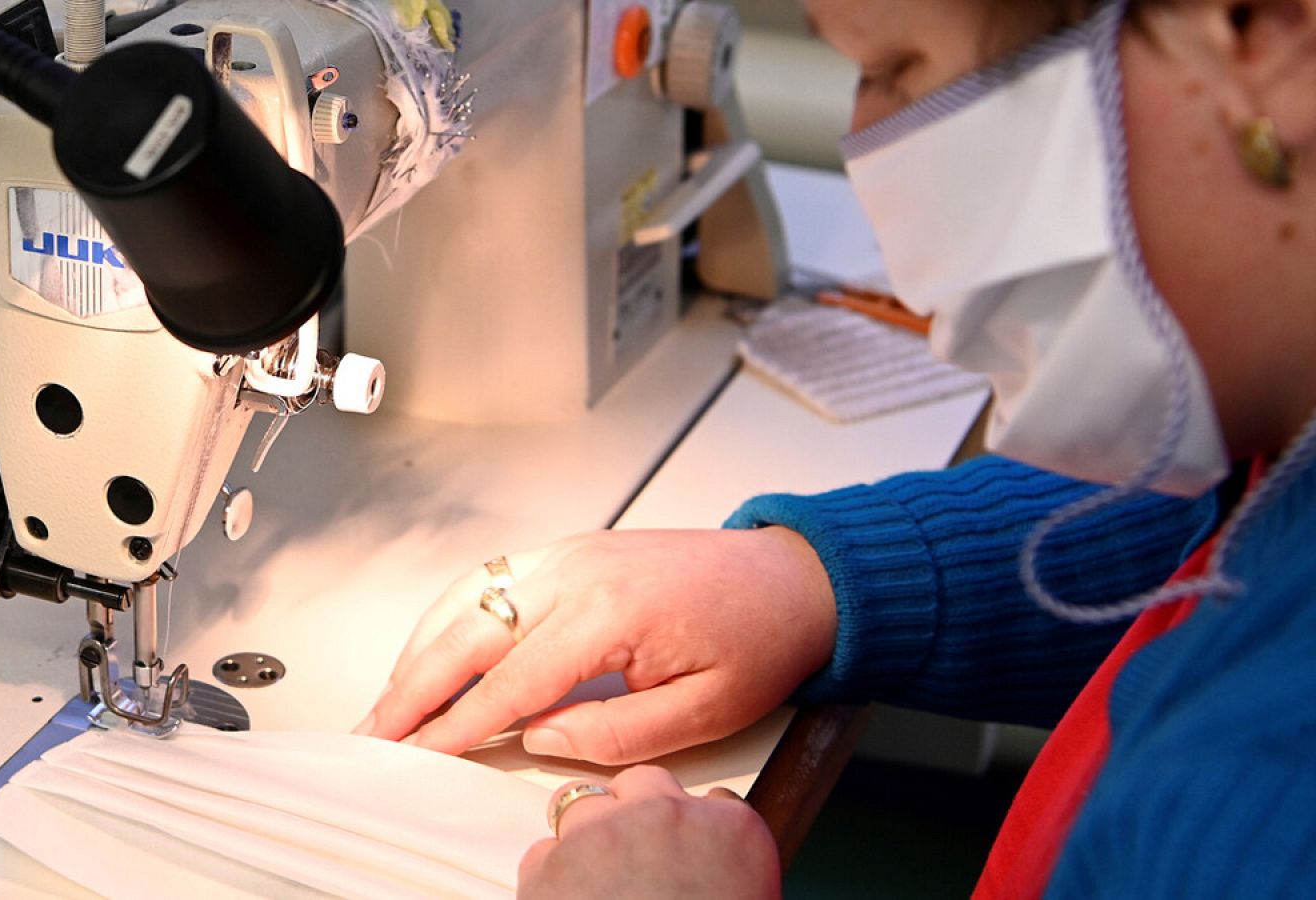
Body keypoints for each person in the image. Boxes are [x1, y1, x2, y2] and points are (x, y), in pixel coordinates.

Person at [356, 0, 1316, 895]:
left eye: (898, 68)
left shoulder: (1266, 812)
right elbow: (1222, 533)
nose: (870, 144)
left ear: (1268, 37)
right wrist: (818, 579)